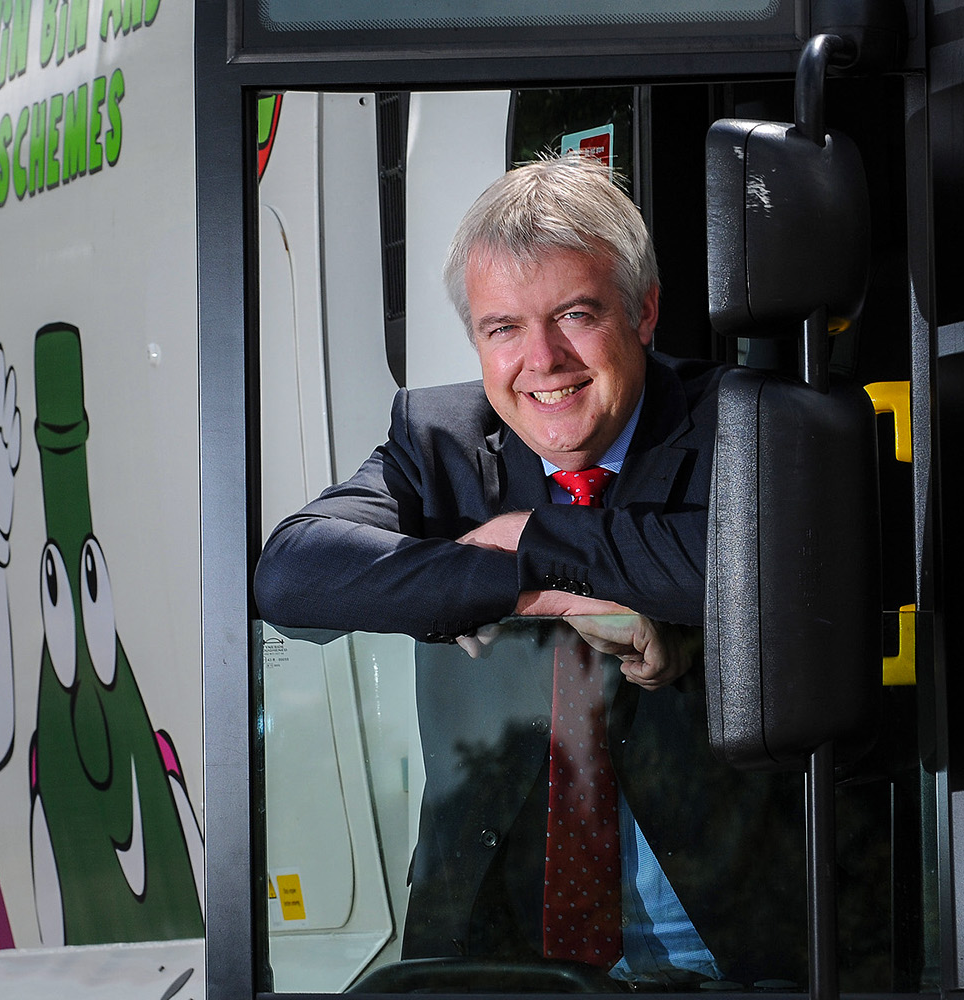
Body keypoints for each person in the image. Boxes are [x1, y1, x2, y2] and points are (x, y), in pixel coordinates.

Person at [253, 153, 805, 987]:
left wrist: (531, 539)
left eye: (575, 314)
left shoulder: (743, 422)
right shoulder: (438, 439)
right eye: (501, 328)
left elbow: (778, 569)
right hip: (492, 937)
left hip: (728, 939)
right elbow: (292, 574)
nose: (541, 360)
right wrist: (550, 591)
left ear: (645, 310)